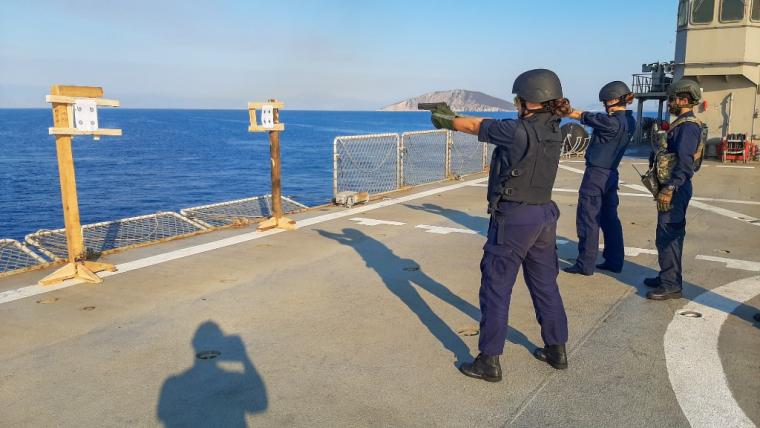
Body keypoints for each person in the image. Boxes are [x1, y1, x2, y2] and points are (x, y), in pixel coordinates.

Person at [427, 69, 571, 382]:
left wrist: (446, 120)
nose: (516, 103)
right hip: (544, 215)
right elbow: (486, 124)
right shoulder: (554, 129)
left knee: (496, 288)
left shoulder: (516, 130)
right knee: (545, 284)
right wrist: (456, 117)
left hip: (515, 218)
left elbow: (475, 126)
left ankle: (489, 360)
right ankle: (556, 349)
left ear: (530, 100)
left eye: (518, 99)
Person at [563, 81, 636, 276]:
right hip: (612, 173)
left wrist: (566, 110)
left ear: (612, 100)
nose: (604, 104)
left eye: (605, 101)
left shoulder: (610, 122)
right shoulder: (630, 121)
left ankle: (585, 264)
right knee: (610, 219)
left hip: (596, 174)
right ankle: (614, 260)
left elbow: (584, 116)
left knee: (588, 218)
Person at [644, 78, 704, 300]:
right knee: (664, 234)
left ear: (684, 100)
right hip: (673, 187)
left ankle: (671, 285)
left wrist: (670, 188)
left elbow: (685, 163)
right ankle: (666, 276)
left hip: (676, 190)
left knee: (670, 235)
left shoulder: (688, 127)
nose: (670, 103)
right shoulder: (681, 124)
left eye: (672, 99)